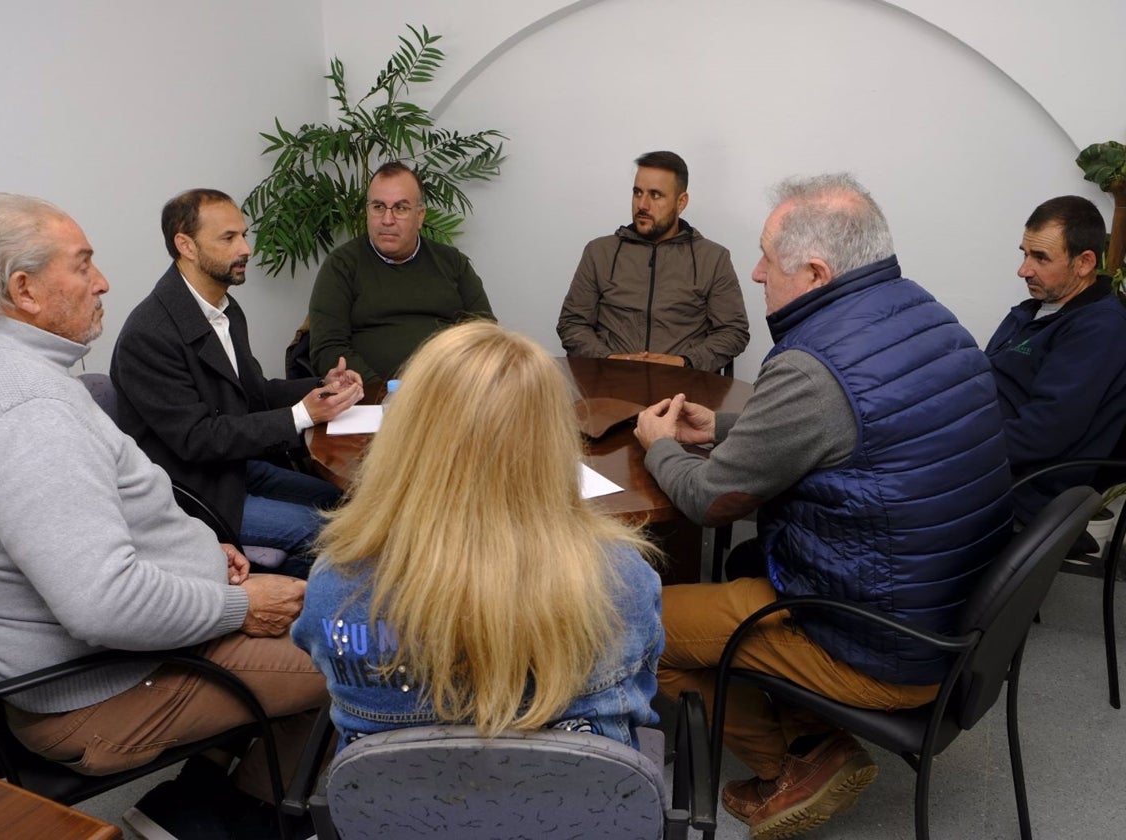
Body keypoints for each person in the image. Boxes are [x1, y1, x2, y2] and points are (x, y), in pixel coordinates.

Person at [0, 193, 327, 840]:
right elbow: (102, 606)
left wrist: (197, 555)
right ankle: (250, 821)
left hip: (121, 661)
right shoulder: (29, 414)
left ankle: (186, 809)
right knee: (354, 656)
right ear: (24, 290)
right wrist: (241, 605)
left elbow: (92, 528)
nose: (103, 281)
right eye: (82, 265)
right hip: (104, 694)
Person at [633, 174, 1013, 839]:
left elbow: (710, 501)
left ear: (814, 271)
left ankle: (797, 765)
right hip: (947, 609)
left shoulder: (813, 364)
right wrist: (718, 430)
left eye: (766, 259)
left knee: (638, 623)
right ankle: (807, 727)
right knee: (748, 561)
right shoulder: (924, 314)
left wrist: (660, 445)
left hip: (880, 643)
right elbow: (853, 428)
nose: (754, 272)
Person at [292, 321, 663, 752]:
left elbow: (324, 664)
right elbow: (644, 694)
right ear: (553, 439)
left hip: (400, 815)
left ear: (406, 434)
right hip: (578, 814)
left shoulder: (335, 584)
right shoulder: (623, 579)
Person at [112, 189, 363, 578]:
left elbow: (253, 393)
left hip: (234, 469)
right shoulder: (149, 335)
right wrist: (302, 414)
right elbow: (197, 438)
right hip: (191, 494)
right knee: (329, 531)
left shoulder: (226, 308)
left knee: (341, 501)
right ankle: (282, 609)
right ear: (186, 246)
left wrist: (322, 385)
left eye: (244, 235)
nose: (246, 248)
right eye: (228, 238)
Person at [985, 195, 1126, 523]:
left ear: (1085, 263)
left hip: (1018, 487)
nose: (1023, 270)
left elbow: (1044, 433)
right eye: (1024, 254)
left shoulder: (1099, 328)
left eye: (1040, 257)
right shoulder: (1034, 309)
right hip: (985, 453)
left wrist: (955, 447)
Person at [556, 150, 749, 371]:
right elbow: (572, 324)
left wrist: (684, 362)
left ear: (681, 202)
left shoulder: (713, 259)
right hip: (610, 385)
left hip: (682, 389)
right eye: (638, 193)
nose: (643, 205)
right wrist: (608, 359)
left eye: (655, 195)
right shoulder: (599, 252)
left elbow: (733, 332)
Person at [307, 161, 495, 382]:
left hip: (448, 392)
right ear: (367, 211)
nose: (387, 220)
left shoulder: (452, 263)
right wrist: (382, 392)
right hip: (371, 400)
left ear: (420, 216)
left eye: (401, 208)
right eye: (378, 207)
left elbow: (485, 336)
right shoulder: (341, 265)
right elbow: (327, 349)